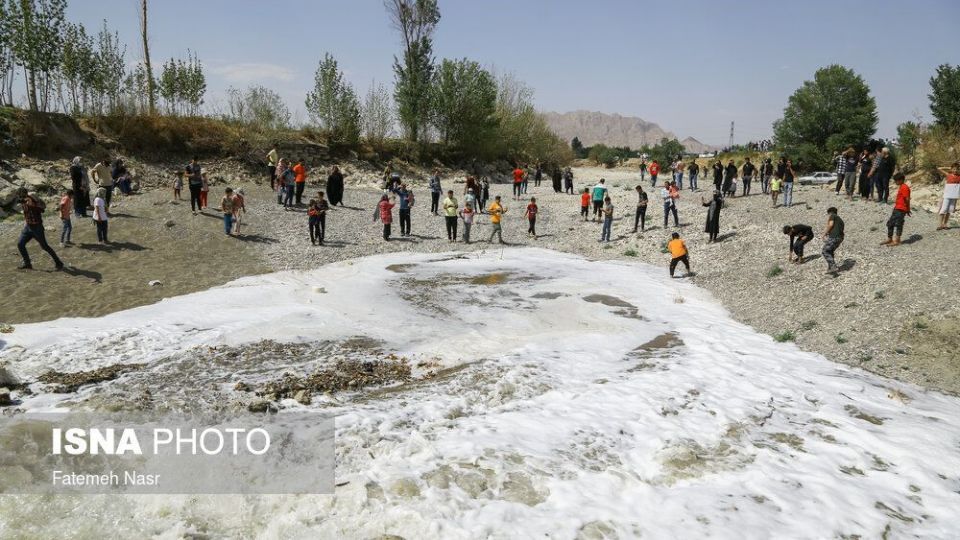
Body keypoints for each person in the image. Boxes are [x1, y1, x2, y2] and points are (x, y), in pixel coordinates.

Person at [15, 189, 64, 270]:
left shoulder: (33, 200)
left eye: (20, 196)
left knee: (45, 246)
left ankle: (59, 262)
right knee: (20, 244)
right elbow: (20, 203)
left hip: (37, 227)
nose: (20, 198)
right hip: (28, 227)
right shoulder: (23, 201)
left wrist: (32, 205)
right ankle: (27, 263)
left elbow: (42, 210)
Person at [882, 173, 911, 246]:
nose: (895, 182)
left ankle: (897, 240)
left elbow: (907, 199)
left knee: (898, 224)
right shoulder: (901, 186)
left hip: (901, 209)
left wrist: (907, 209)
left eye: (896, 181)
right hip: (897, 208)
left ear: (901, 180)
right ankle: (890, 238)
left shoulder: (905, 187)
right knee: (890, 223)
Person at [936, 162, 960, 230]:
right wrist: (949, 167)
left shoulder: (959, 177)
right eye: (954, 169)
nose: (955, 170)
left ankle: (945, 224)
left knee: (949, 211)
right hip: (947, 196)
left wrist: (955, 168)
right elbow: (939, 168)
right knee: (943, 210)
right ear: (952, 169)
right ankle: (940, 225)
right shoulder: (948, 175)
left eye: (957, 169)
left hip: (954, 197)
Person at [822, 207, 844, 274]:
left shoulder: (833, 215)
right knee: (830, 251)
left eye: (828, 214)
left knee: (825, 251)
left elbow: (831, 225)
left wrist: (824, 234)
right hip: (840, 238)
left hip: (834, 237)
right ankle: (830, 268)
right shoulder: (840, 220)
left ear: (830, 212)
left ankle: (833, 266)